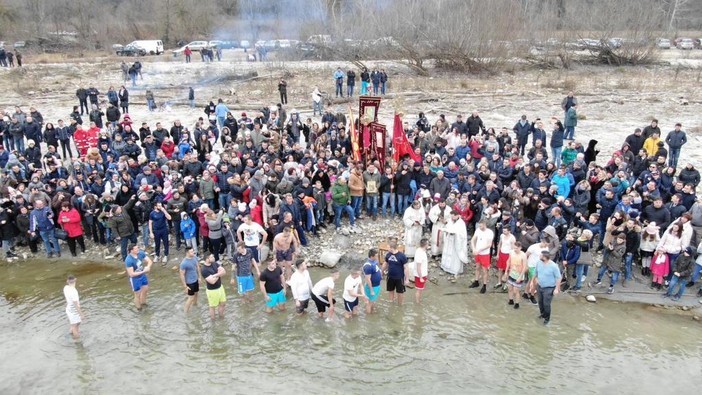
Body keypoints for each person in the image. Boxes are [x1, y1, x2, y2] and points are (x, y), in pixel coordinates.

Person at [535, 251, 561, 325]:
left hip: (549, 288)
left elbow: (558, 278)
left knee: (546, 304)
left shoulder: (554, 266)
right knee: (540, 302)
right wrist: (534, 282)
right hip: (539, 286)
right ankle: (543, 314)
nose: (539, 256)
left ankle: (547, 318)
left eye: (541, 256)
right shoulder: (538, 263)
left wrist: (556, 289)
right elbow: (536, 273)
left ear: (545, 257)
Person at [124, 244, 152, 310]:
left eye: (138, 248)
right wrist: (143, 271)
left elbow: (149, 261)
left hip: (142, 275)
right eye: (136, 249)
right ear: (131, 251)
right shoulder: (128, 260)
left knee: (145, 289)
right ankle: (139, 308)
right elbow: (131, 274)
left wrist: (148, 267)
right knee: (137, 294)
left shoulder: (140, 253)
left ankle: (143, 303)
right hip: (135, 279)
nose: (138, 249)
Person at [440, 211, 468, 276]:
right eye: (451, 216)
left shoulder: (461, 223)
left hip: (456, 241)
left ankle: (454, 270)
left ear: (457, 215)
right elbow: (447, 227)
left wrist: (455, 233)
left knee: (455, 255)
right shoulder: (450, 220)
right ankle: (445, 267)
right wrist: (445, 230)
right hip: (449, 240)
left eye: (453, 216)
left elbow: (462, 234)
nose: (452, 218)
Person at [470, 220, 494, 294]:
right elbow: (472, 240)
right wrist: (474, 248)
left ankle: (484, 285)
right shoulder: (478, 230)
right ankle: (476, 281)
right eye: (479, 226)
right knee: (477, 267)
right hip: (477, 252)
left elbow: (489, 244)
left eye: (481, 226)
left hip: (485, 254)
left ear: (484, 225)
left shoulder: (490, 232)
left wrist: (479, 249)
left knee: (484, 270)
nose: (479, 227)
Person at [383, 237, 409, 305]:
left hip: (399, 278)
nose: (387, 248)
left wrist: (407, 279)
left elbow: (406, 268)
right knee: (390, 291)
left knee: (400, 293)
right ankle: (391, 304)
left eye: (388, 247)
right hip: (390, 277)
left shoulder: (402, 256)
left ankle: (400, 305)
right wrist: (381, 271)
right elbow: (385, 263)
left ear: (391, 248)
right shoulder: (388, 255)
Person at [201, 253, 226, 320]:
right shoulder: (204, 270)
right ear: (207, 259)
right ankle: (213, 321)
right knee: (212, 307)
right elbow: (212, 281)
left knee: (223, 303)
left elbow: (224, 271)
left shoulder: (214, 263)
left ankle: (221, 318)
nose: (214, 258)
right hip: (212, 291)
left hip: (220, 287)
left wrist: (215, 275)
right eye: (212, 257)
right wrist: (219, 274)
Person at [502, 241, 527, 309]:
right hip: (511, 273)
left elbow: (525, 267)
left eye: (516, 248)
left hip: (519, 275)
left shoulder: (523, 255)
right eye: (514, 248)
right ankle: (511, 300)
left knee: (516, 290)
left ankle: (517, 303)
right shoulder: (511, 252)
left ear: (520, 248)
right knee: (510, 288)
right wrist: (506, 272)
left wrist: (520, 277)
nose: (515, 249)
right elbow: (508, 261)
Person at [179, 246, 201, 313]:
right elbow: (181, 275)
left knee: (196, 293)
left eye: (193, 251)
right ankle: (185, 312)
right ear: (187, 253)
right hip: (189, 282)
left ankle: (195, 305)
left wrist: (199, 277)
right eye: (191, 252)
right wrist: (185, 286)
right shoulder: (184, 263)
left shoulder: (194, 257)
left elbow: (197, 267)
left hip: (195, 280)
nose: (193, 252)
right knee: (190, 298)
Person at [362, 249, 382, 314]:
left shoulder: (374, 262)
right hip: (372, 287)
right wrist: (371, 290)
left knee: (373, 301)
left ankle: (372, 312)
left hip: (376, 286)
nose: (377, 257)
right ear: (371, 256)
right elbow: (368, 279)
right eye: (376, 256)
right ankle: (368, 316)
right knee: (369, 302)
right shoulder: (368, 266)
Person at [413, 238, 429, 304]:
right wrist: (421, 277)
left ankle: (419, 300)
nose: (428, 245)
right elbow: (418, 267)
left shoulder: (421, 250)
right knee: (418, 290)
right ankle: (417, 303)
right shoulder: (420, 253)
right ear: (425, 245)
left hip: (423, 274)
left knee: (421, 289)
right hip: (420, 275)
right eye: (428, 244)